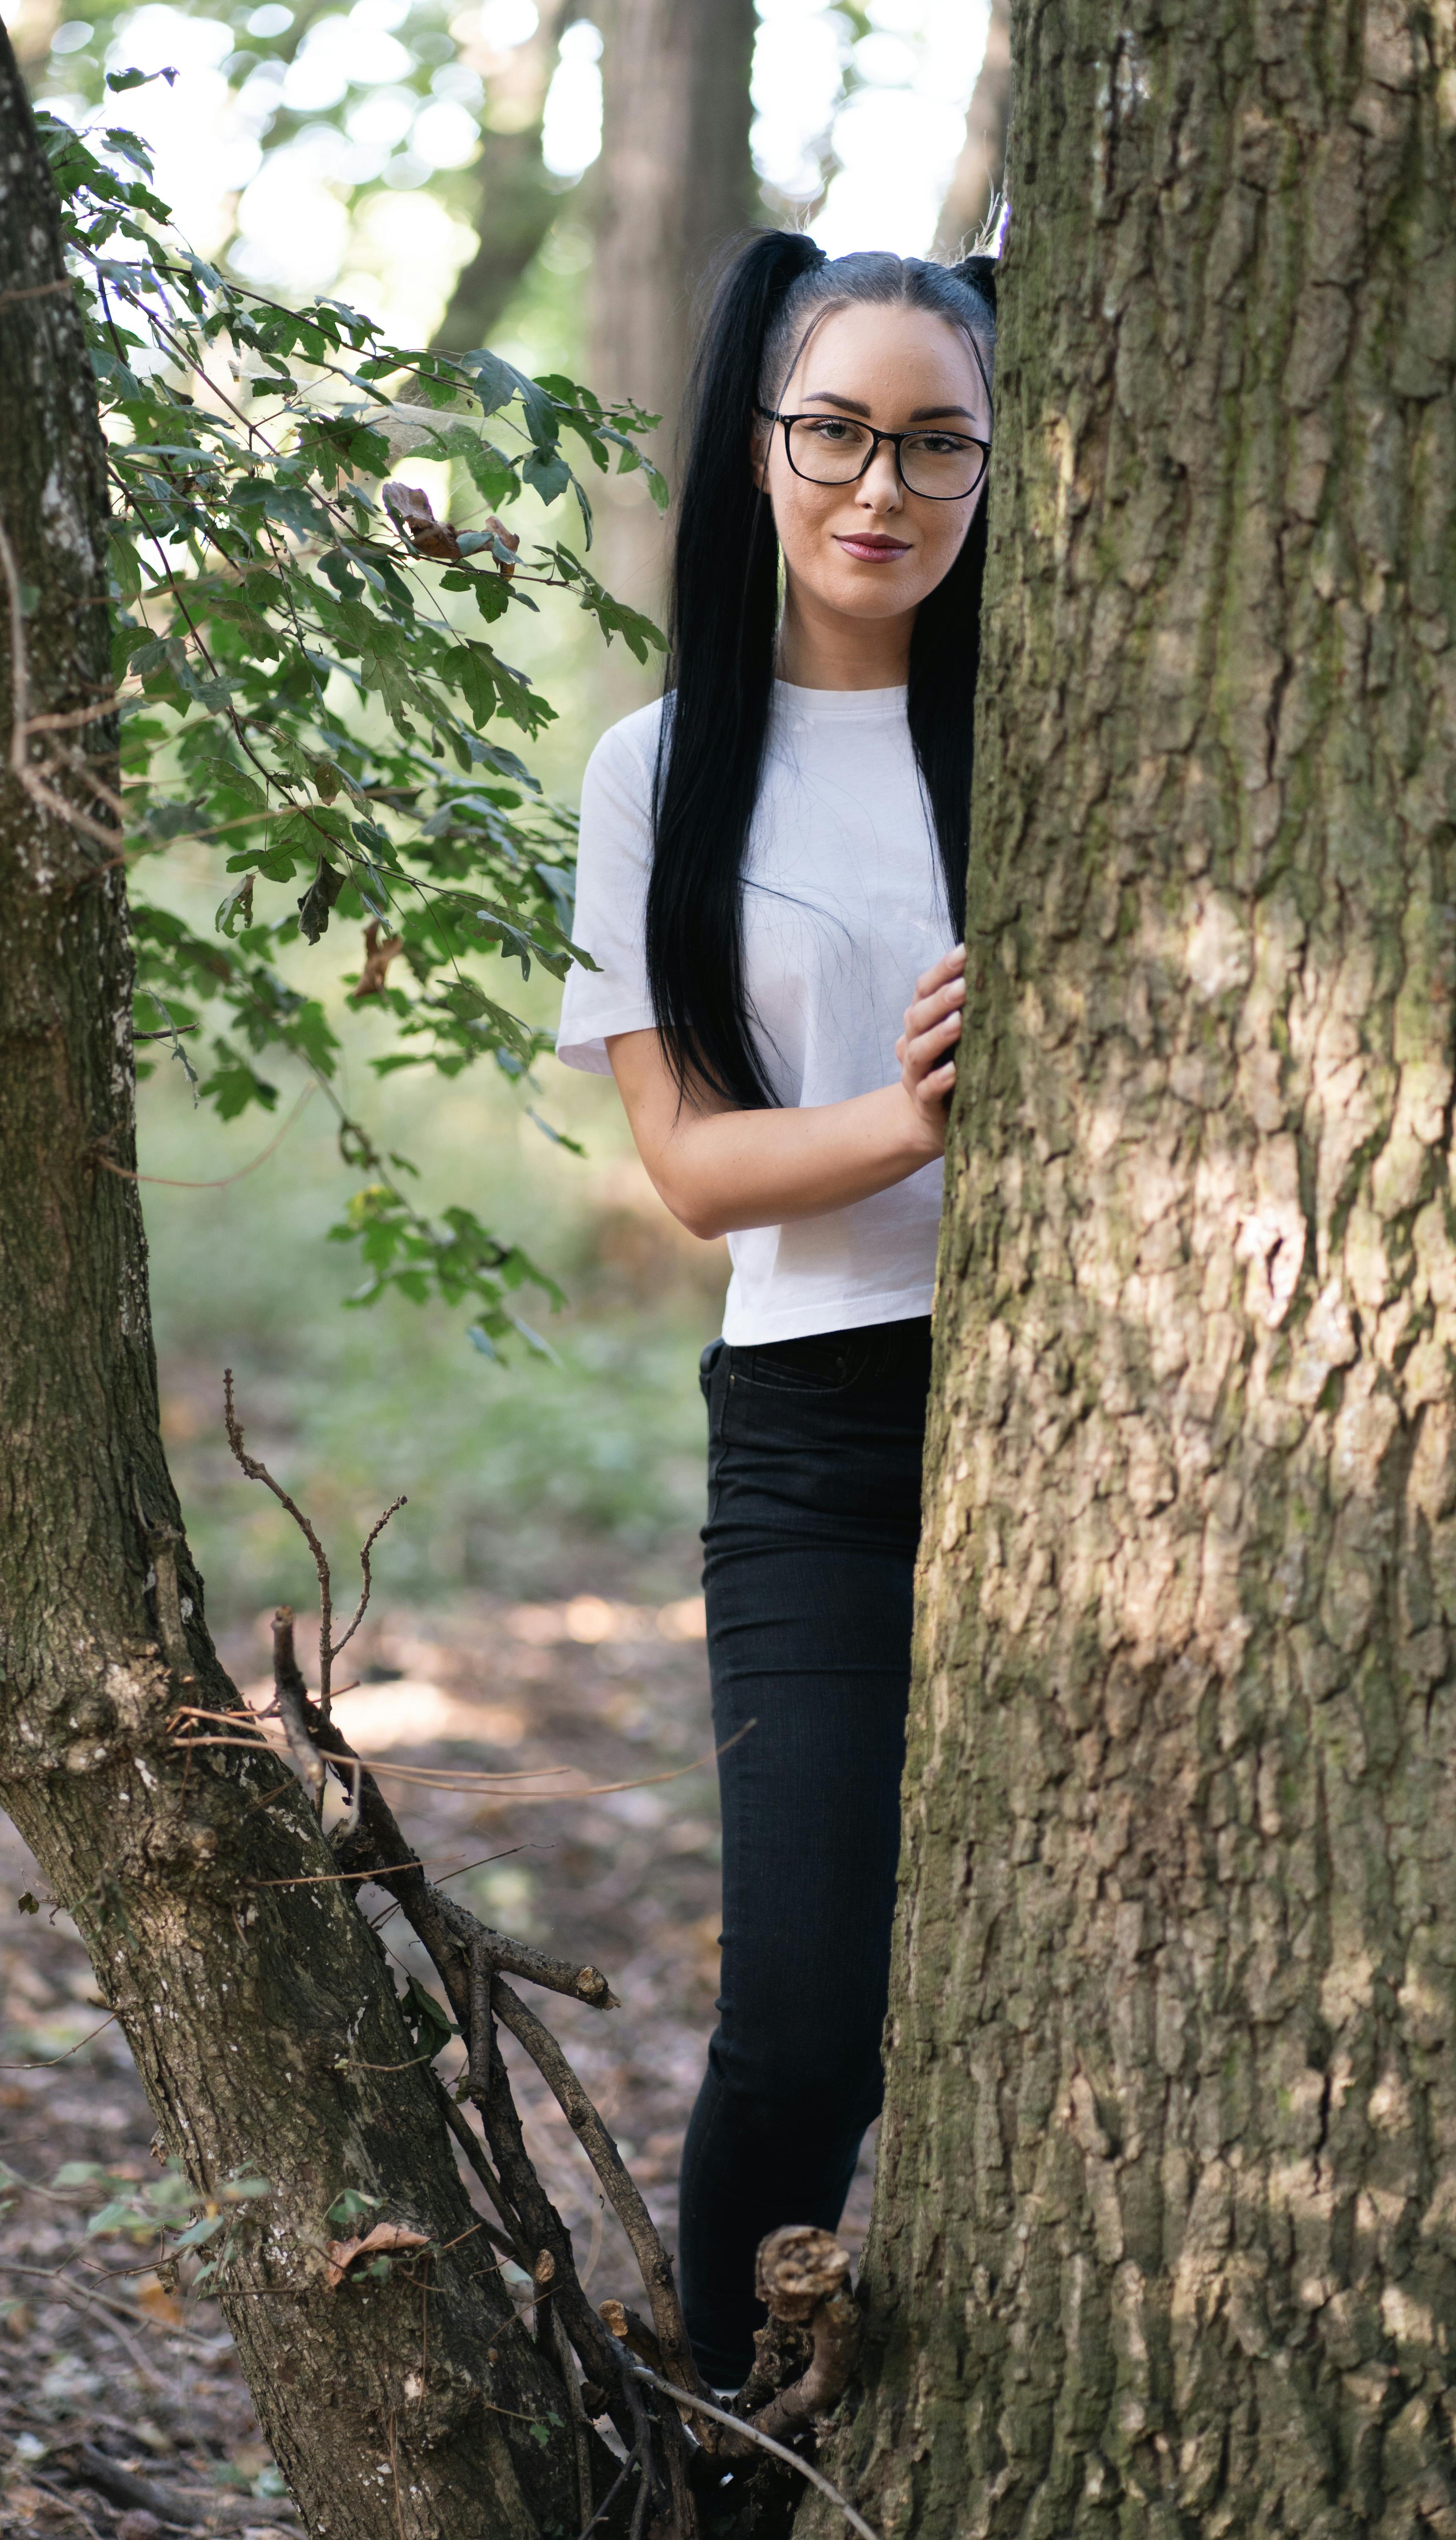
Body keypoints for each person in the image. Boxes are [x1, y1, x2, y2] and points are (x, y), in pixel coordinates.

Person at [554, 231, 995, 2388]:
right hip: (820, 1431)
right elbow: (697, 1166)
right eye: (837, 433)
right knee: (811, 2010)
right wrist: (908, 1120)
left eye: (936, 445)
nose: (880, 489)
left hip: (1082, 1411)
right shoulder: (663, 769)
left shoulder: (1073, 729)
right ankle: (724, 2456)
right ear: (760, 446)